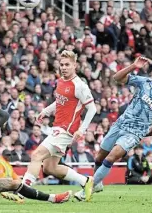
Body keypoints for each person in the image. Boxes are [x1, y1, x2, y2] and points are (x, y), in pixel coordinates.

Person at [75, 58, 152, 200]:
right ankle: (97, 184)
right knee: (99, 158)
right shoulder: (144, 82)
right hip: (120, 124)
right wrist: (133, 66)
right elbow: (116, 78)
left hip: (135, 132)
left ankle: (86, 190)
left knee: (111, 157)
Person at [9, 50, 96, 202]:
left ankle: (21, 193)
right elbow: (60, 102)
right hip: (57, 127)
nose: (63, 67)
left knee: (37, 155)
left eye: (67, 65)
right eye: (61, 64)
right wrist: (46, 111)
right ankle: (85, 181)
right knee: (50, 168)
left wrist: (81, 130)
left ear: (75, 65)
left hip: (66, 130)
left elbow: (92, 108)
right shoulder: (61, 81)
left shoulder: (79, 85)